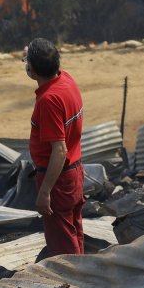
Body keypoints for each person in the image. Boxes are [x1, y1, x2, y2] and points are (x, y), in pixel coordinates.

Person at [24, 37, 85, 257]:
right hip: (74, 173)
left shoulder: (49, 100)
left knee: (63, 246)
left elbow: (59, 150)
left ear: (32, 67)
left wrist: (45, 192)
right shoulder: (66, 79)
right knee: (74, 232)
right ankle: (82, 278)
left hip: (58, 180)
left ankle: (73, 285)